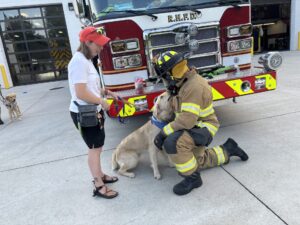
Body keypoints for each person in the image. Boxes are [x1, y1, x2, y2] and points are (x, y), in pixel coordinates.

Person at [153, 50, 249, 196]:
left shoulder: (193, 86)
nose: (165, 80)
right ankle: (229, 149)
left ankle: (193, 179)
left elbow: (186, 120)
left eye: (165, 76)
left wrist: (163, 133)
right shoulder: (181, 82)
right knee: (197, 161)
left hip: (204, 126)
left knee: (173, 142)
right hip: (194, 125)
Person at [68, 26, 120, 199]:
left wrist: (106, 92)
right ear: (87, 42)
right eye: (98, 44)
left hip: (92, 111)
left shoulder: (86, 60)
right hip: (85, 113)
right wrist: (101, 101)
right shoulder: (78, 62)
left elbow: (90, 87)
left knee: (98, 146)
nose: (101, 48)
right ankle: (98, 185)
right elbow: (81, 92)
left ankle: (101, 175)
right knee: (94, 149)